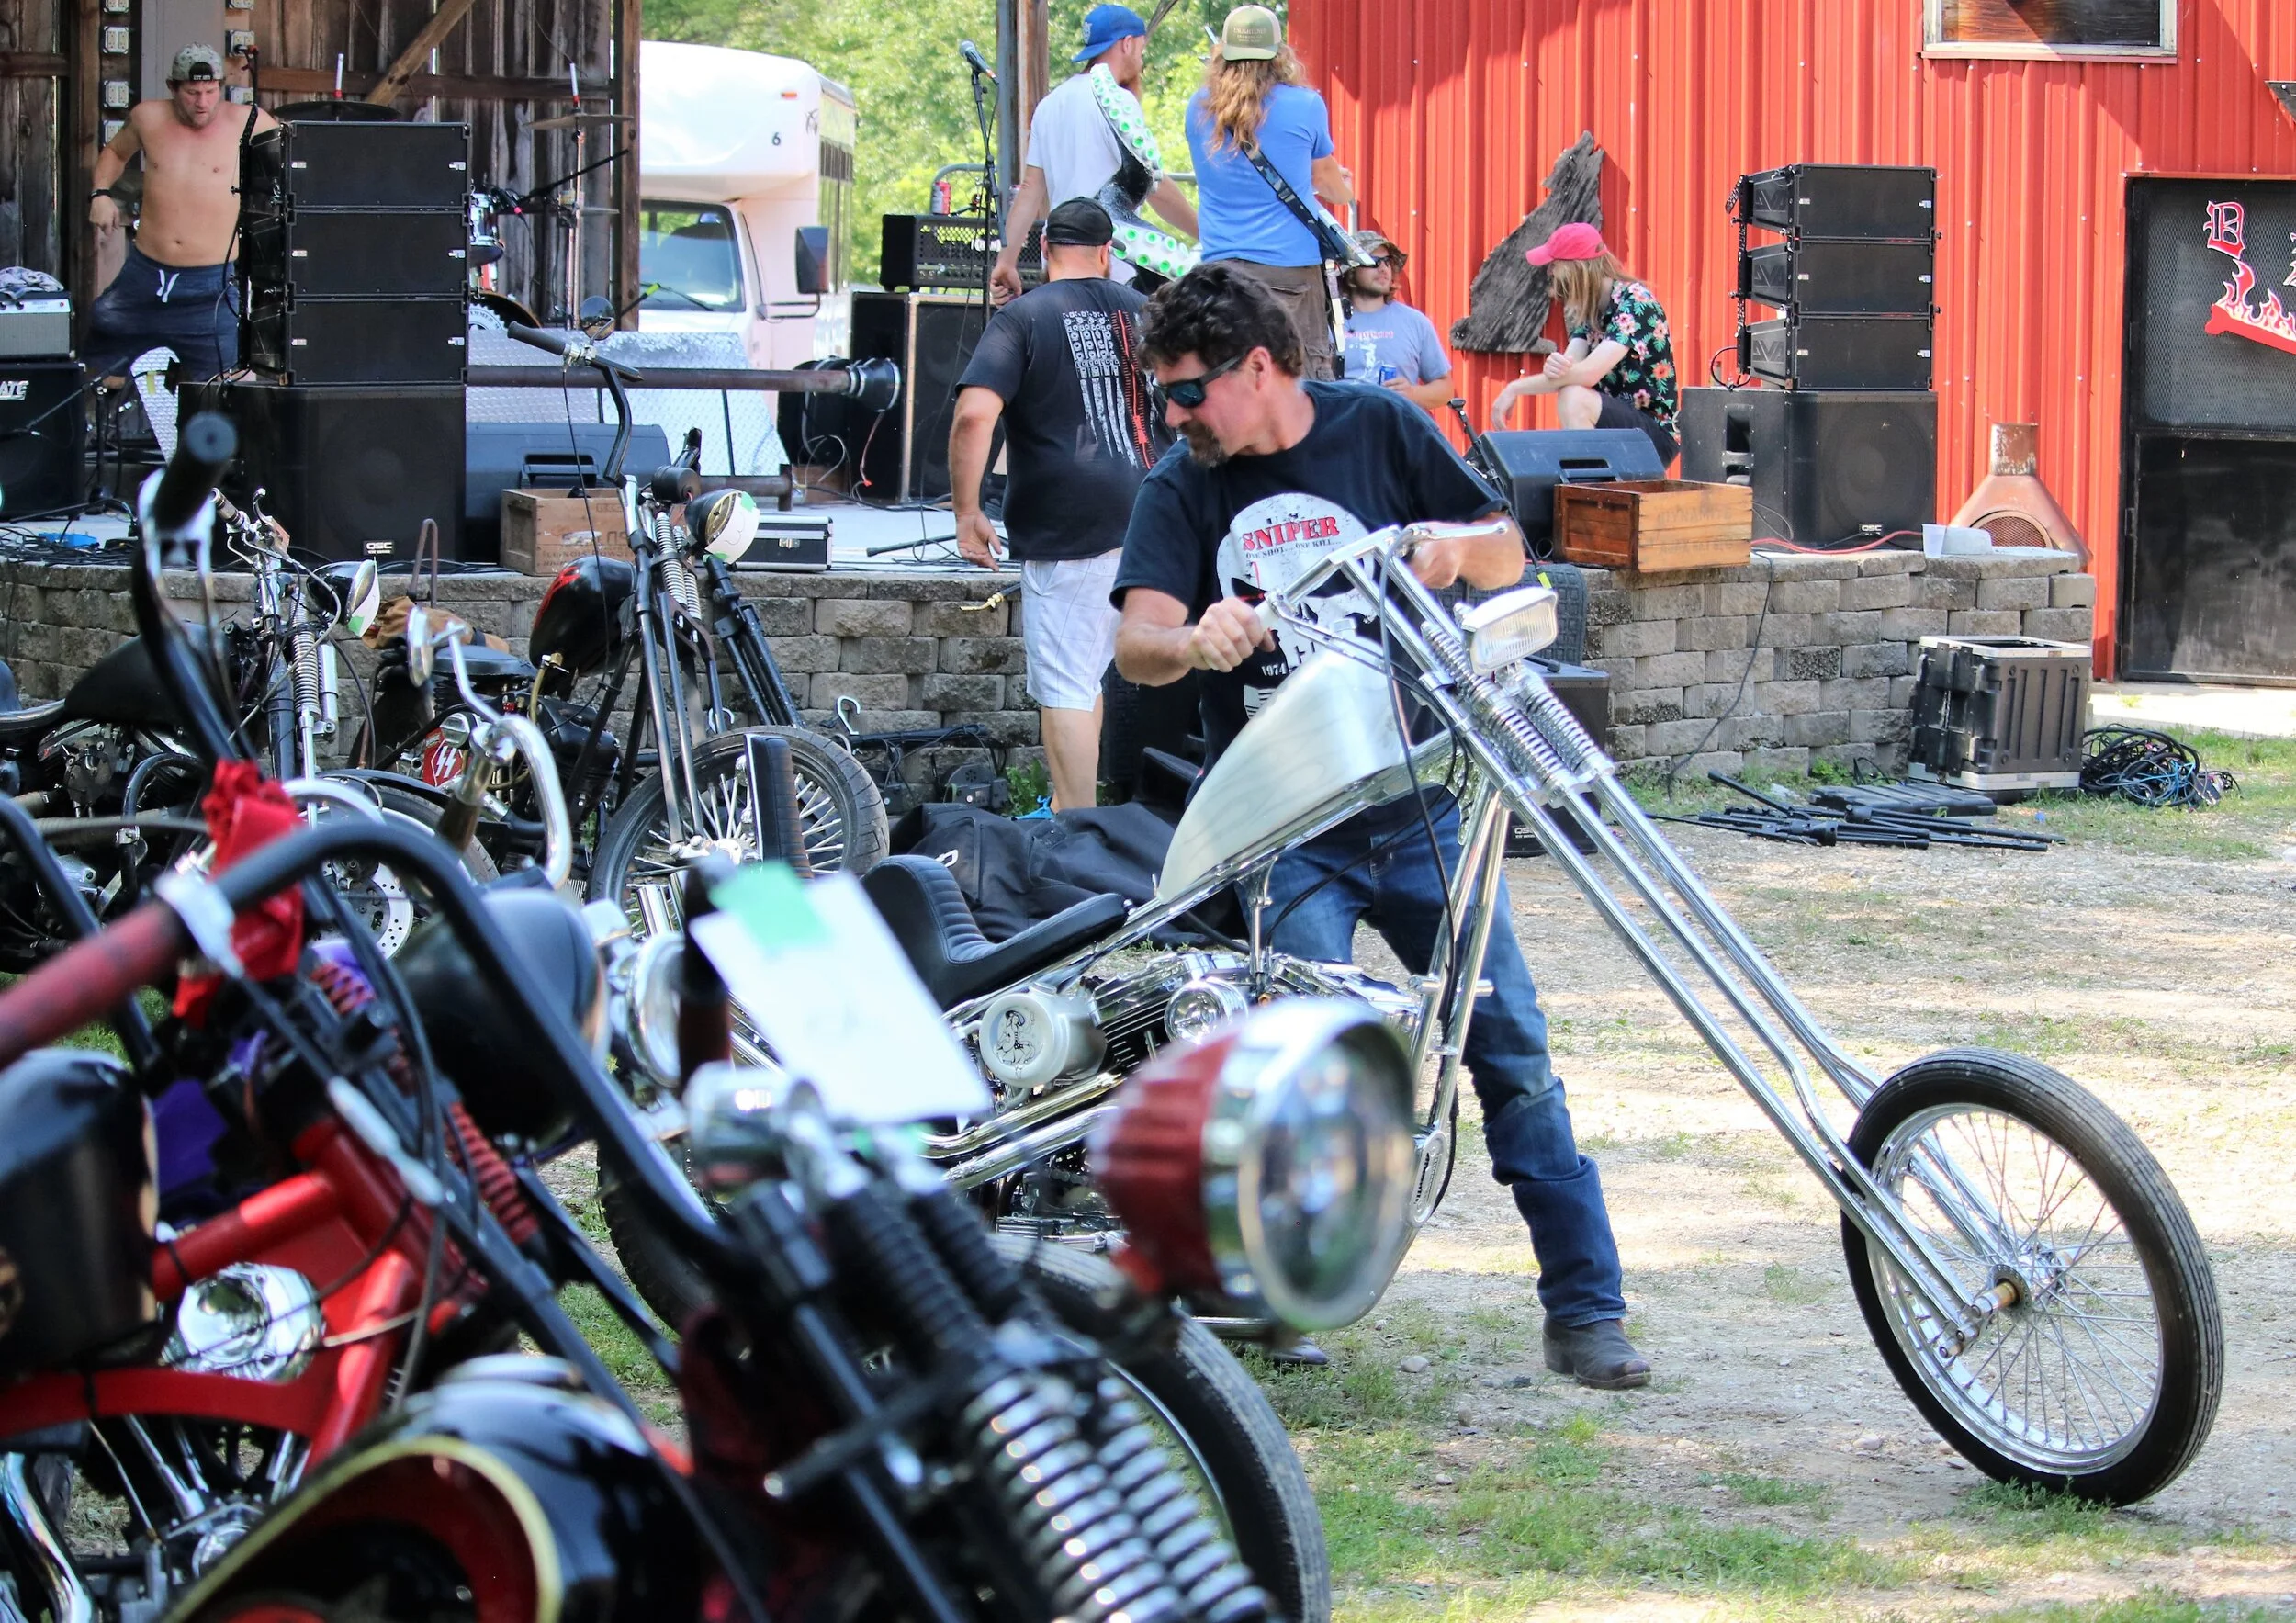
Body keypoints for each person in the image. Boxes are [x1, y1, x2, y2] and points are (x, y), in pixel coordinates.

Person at [1109, 264, 1649, 1390]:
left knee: (1510, 1049)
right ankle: (1273, 1298)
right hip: (1284, 826)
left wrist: (1453, 551)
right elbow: (1135, 646)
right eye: (1164, 394)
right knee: (1300, 1074)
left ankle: (1586, 1307)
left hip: (1418, 806)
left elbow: (1508, 551)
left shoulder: (1379, 428)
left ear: (1260, 367)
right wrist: (1194, 640)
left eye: (1189, 390)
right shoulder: (1181, 484)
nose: (1176, 413)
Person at [952, 199, 1169, 813]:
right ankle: (1072, 804)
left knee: (1067, 685)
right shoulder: (1146, 313)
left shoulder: (1024, 317)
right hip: (1156, 509)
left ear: (1044, 248)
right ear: (1107, 253)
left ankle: (1075, 830)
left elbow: (973, 416)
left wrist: (967, 511)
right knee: (1088, 673)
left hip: (1072, 522)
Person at [83, 45, 276, 384]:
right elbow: (115, 152)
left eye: (211, 91)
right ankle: (109, 418)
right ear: (173, 87)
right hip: (145, 275)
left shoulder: (250, 121)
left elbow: (296, 156)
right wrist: (100, 193)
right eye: (192, 92)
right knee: (101, 369)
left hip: (211, 285)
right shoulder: (148, 117)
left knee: (230, 385)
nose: (202, 102)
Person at [1185, 5, 1354, 382]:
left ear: (1222, 52)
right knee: (1298, 384)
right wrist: (1344, 188)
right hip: (1288, 272)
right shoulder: (1305, 104)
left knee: (1231, 382)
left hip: (1220, 272)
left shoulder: (1198, 106)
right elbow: (1328, 183)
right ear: (1279, 53)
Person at [992, 5, 1198, 303]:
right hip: (1109, 261)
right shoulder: (1120, 101)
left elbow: (1030, 189)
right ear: (1127, 43)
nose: (1141, 60)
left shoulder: (1050, 104)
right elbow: (1152, 184)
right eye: (1141, 50)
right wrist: (1205, 233)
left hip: (1059, 260)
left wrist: (1006, 261)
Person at [1490, 222, 1679, 468]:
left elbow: (1588, 374)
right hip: (1620, 430)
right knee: (1570, 391)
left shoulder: (1635, 302)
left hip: (1653, 438)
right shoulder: (1591, 313)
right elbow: (1570, 372)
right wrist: (1557, 368)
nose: (1550, 272)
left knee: (1574, 397)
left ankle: (1589, 483)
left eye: (1554, 264)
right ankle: (1587, 479)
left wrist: (1515, 388)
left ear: (1576, 268)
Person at [1340, 228, 1454, 413]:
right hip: (1341, 427)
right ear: (1350, 270)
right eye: (1373, 262)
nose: (1383, 269)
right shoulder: (1326, 322)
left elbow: (1446, 389)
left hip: (1397, 427)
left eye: (1387, 262)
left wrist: (1411, 393)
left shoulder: (1415, 322)